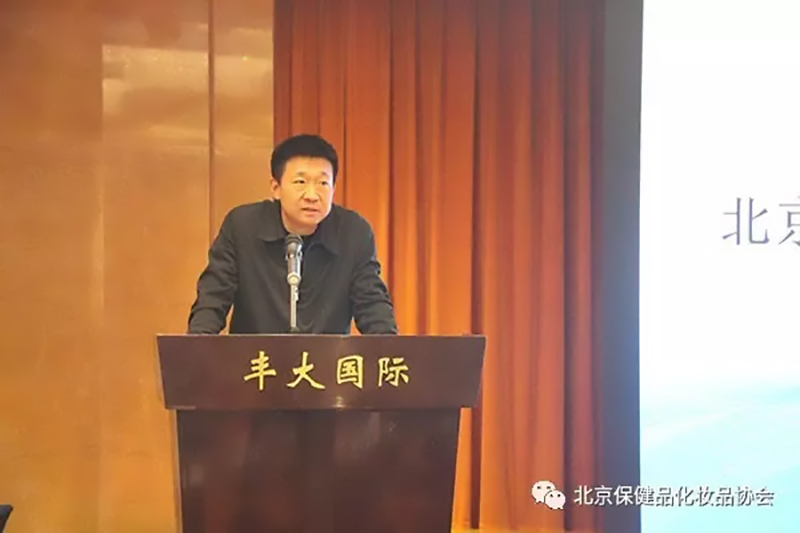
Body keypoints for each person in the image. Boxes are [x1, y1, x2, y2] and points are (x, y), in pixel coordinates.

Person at [187, 133, 397, 335]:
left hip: (327, 359)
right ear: (276, 188)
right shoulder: (243, 227)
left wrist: (390, 349)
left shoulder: (353, 233)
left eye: (323, 183)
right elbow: (213, 296)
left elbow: (372, 303)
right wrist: (197, 344)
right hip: (255, 358)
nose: (312, 195)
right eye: (300, 182)